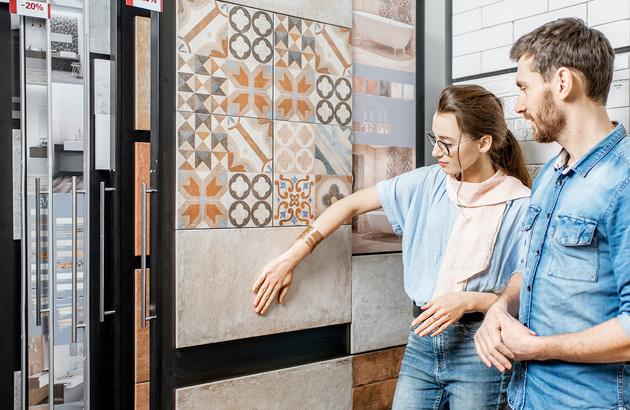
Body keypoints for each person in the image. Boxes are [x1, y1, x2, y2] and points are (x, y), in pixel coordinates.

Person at [252, 84, 532, 409]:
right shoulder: (426, 183)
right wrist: (291, 258)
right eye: (434, 139)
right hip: (422, 341)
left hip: (481, 347)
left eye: (447, 144)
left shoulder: (520, 204)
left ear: (484, 142)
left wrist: (470, 300)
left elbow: (526, 286)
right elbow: (349, 205)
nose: (436, 152)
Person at [473, 18, 630, 409]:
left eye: (524, 88)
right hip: (525, 397)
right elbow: (530, 269)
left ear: (562, 83)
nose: (519, 106)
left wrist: (540, 348)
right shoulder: (549, 178)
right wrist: (499, 307)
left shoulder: (623, 182)